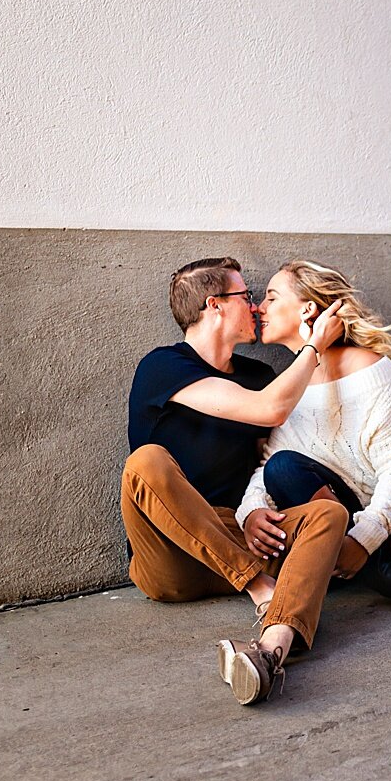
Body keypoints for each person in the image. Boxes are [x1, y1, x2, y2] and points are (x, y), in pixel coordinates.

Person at [123, 256, 349, 706]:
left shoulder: (258, 376)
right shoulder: (163, 366)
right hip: (170, 558)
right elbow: (269, 410)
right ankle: (263, 590)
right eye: (246, 295)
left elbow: (264, 458)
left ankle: (268, 654)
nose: (255, 304)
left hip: (236, 537)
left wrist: (251, 512)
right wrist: (314, 347)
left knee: (328, 513)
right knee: (146, 462)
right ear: (215, 305)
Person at [235, 259, 391, 613]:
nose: (259, 307)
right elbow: (270, 463)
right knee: (281, 467)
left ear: (307, 308)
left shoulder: (370, 370)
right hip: (339, 508)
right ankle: (383, 574)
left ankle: (349, 562)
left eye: (272, 298)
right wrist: (251, 511)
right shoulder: (293, 384)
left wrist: (364, 540)